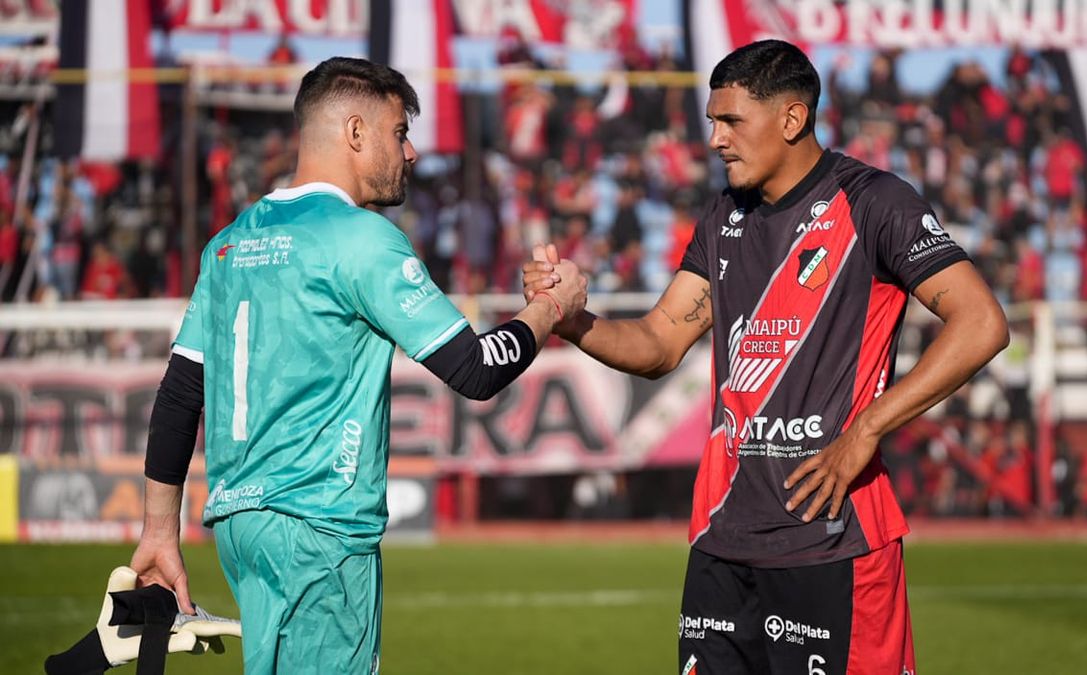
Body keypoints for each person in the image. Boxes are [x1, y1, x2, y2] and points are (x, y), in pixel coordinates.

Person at [525, 40, 1008, 674]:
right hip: (723, 537)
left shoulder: (875, 202)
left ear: (791, 118)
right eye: (712, 122)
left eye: (731, 121)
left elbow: (981, 324)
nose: (717, 139)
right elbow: (659, 342)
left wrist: (866, 428)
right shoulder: (724, 213)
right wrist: (571, 319)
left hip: (833, 534)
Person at [130, 57, 587, 674]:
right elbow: (477, 371)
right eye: (400, 132)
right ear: (355, 132)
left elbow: (182, 391)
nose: (413, 152)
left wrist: (160, 531)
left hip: (241, 530)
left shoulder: (229, 243)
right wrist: (551, 309)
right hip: (321, 528)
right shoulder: (362, 239)